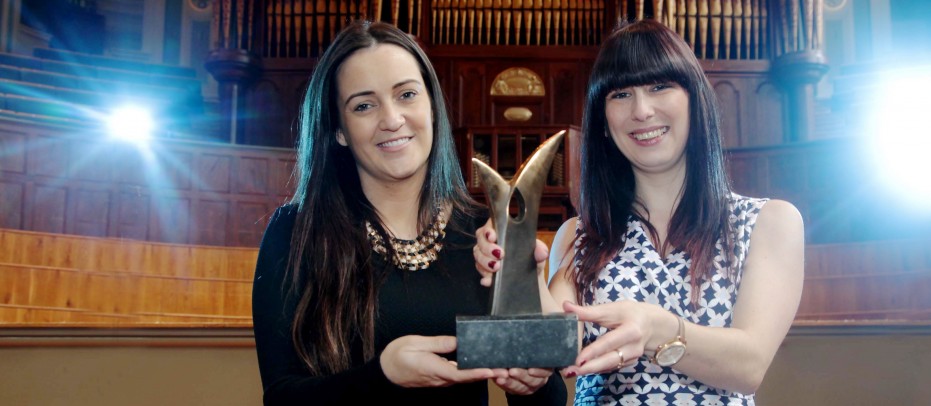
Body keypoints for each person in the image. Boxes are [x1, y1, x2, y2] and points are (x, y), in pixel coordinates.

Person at [475, 19, 804, 405]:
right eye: (621, 94)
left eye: (659, 86)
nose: (642, 110)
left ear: (694, 98)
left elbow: (749, 365)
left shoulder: (768, 222)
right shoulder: (579, 234)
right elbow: (548, 348)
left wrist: (656, 329)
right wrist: (515, 269)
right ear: (603, 120)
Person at [251, 21, 566, 405]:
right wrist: (382, 376)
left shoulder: (484, 234)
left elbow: (546, 400)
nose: (392, 119)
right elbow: (281, 398)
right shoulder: (295, 231)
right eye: (364, 105)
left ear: (431, 106)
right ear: (339, 130)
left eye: (406, 95)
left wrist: (531, 372)